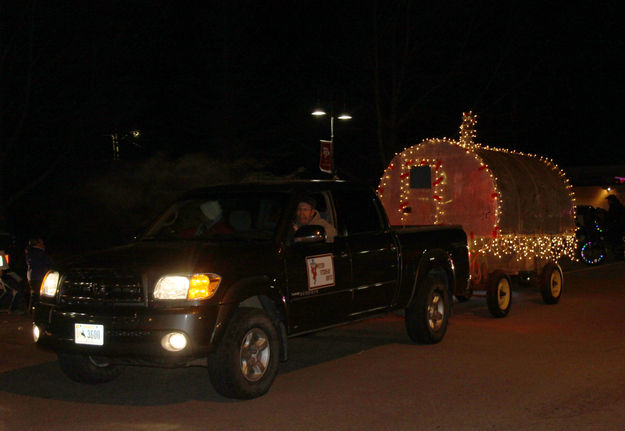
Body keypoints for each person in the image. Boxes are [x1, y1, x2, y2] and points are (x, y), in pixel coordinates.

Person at [25, 238, 53, 311]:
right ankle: (38, 310)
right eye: (42, 243)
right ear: (38, 244)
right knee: (40, 294)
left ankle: (32, 309)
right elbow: (49, 262)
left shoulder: (29, 252)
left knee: (34, 293)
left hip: (31, 276)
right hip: (39, 275)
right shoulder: (40, 252)